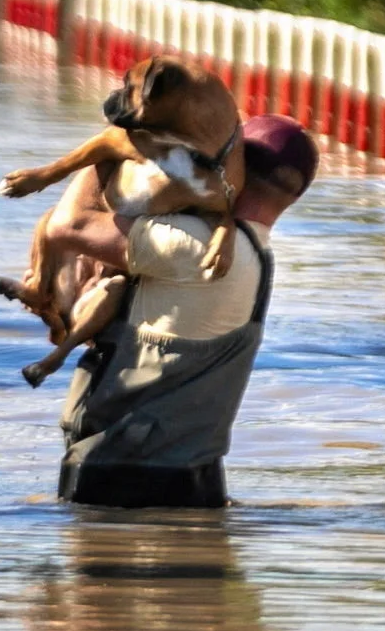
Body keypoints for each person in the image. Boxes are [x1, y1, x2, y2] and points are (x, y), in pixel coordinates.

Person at [56, 114, 318, 509]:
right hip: (192, 480)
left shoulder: (194, 246)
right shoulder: (256, 255)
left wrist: (112, 143)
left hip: (125, 478)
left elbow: (69, 225)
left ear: (233, 167)